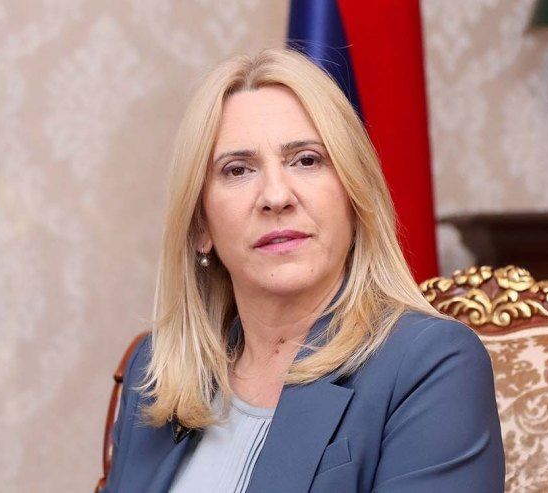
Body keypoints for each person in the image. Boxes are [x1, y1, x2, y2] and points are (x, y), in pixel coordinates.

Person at [101, 48, 505, 493]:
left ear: (354, 197)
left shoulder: (430, 365)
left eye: (306, 160)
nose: (276, 196)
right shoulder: (155, 371)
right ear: (201, 226)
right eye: (238, 170)